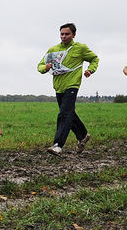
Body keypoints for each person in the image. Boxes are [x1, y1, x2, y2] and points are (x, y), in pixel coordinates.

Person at [38, 23, 98, 156]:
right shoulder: (53, 49)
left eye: (67, 34)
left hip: (72, 85)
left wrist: (90, 70)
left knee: (64, 114)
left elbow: (94, 59)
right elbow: (40, 65)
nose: (64, 36)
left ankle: (58, 145)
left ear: (74, 35)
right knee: (69, 114)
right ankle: (83, 135)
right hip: (58, 86)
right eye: (62, 34)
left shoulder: (80, 48)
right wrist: (45, 68)